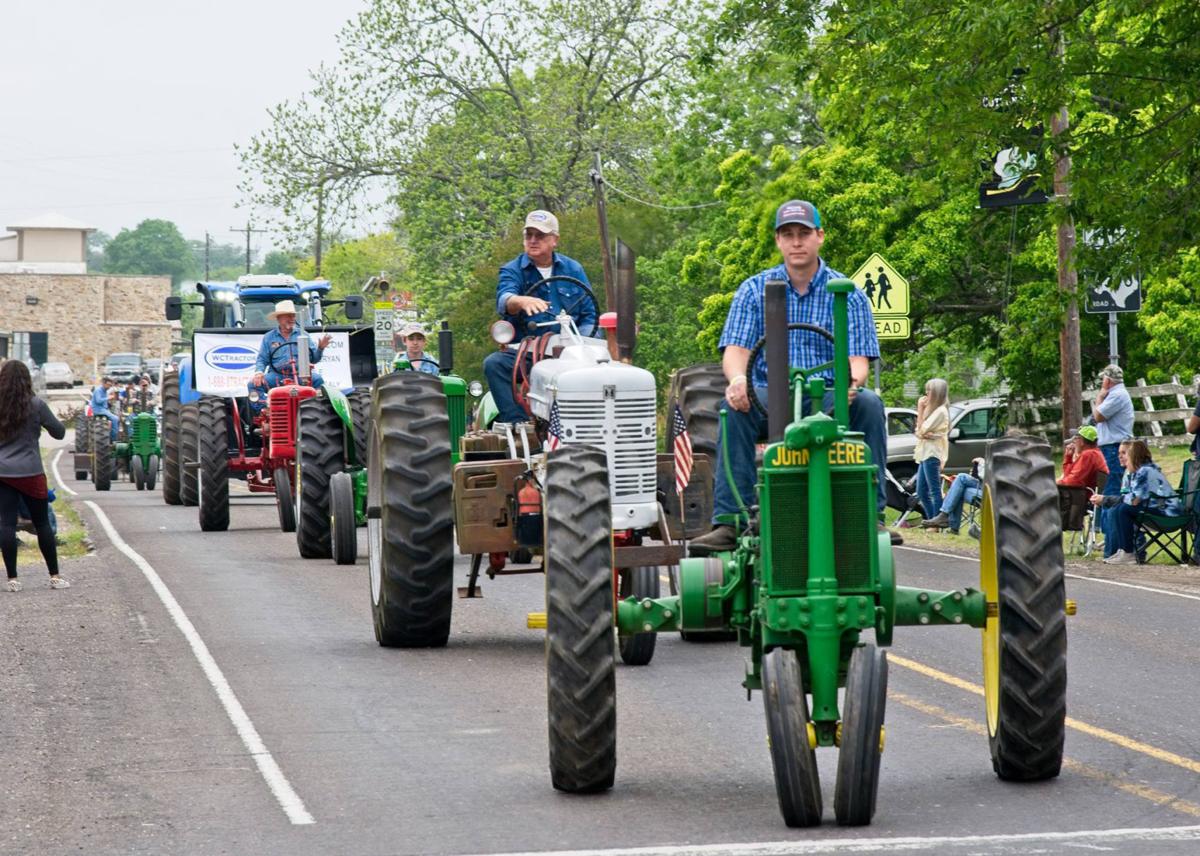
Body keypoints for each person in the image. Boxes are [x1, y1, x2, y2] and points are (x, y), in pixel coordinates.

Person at [690, 199, 893, 553]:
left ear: (820, 237)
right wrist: (738, 380)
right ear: (778, 241)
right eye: (788, 235)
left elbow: (857, 361)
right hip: (769, 394)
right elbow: (736, 352)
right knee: (731, 407)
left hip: (827, 395)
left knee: (871, 404)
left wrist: (852, 383)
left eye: (804, 233)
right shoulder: (754, 290)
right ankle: (731, 521)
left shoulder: (847, 293)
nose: (796, 242)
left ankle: (870, 515)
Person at [484, 210, 597, 424]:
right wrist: (520, 301)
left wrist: (579, 346)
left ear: (555, 240)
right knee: (494, 364)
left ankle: (588, 423)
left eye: (540, 235)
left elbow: (590, 315)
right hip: (528, 355)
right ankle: (519, 425)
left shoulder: (573, 269)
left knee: (603, 369)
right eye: (529, 235)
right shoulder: (512, 269)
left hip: (571, 354)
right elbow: (505, 299)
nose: (533, 240)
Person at [0, 359, 69, 592]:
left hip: (2, 473)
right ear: (27, 380)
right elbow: (59, 433)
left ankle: (12, 580)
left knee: (6, 524)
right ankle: (55, 576)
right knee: (42, 524)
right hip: (31, 472)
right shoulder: (36, 404)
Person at [1096, 439, 1181, 565]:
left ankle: (1127, 552)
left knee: (1123, 509)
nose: (1121, 457)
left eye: (1125, 454)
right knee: (1119, 508)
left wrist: (1106, 499)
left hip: (1168, 515)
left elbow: (1134, 500)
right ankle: (1122, 550)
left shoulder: (1145, 471)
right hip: (1157, 509)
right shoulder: (1139, 471)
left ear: (1134, 455)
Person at [248, 300, 333, 405]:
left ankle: (316, 409)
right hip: (277, 376)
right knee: (253, 384)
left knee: (318, 380)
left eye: (293, 316)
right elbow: (262, 359)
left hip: (300, 375)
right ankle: (265, 409)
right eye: (288, 316)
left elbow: (314, 359)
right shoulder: (269, 337)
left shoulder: (303, 335)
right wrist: (259, 372)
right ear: (279, 318)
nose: (292, 319)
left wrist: (320, 348)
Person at [1092, 364, 1135, 557]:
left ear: (1107, 380)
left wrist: (1100, 397)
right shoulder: (1117, 394)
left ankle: (1112, 547)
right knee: (1108, 492)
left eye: (1104, 380)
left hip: (1113, 447)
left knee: (1110, 493)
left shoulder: (1116, 395)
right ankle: (1110, 542)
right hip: (1110, 446)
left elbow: (1098, 416)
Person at [1057, 425, 1109, 530]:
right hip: (1081, 494)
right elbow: (1070, 475)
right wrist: (1068, 457)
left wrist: (1056, 482)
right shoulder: (1093, 453)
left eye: (1076, 438)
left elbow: (1074, 481)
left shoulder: (1089, 455)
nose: (1074, 442)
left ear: (1081, 441)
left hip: (1083, 498)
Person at [914, 378, 950, 524]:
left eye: (929, 391)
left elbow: (921, 429)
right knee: (922, 491)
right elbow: (918, 431)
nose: (926, 394)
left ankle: (937, 523)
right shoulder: (934, 411)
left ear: (935, 394)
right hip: (925, 453)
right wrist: (922, 432)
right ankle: (930, 520)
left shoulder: (941, 411)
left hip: (932, 454)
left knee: (934, 491)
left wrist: (920, 409)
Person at [921, 458, 984, 535]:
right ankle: (948, 522)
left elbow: (986, 475)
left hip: (992, 494)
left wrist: (982, 463)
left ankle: (946, 518)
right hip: (985, 487)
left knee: (960, 480)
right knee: (959, 486)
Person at [89, 376, 119, 441]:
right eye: (108, 385)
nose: (109, 387)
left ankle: (114, 434)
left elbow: (104, 403)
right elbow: (98, 400)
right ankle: (114, 439)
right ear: (103, 383)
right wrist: (109, 398)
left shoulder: (105, 391)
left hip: (103, 409)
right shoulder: (98, 390)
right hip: (98, 410)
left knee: (118, 416)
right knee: (115, 419)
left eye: (110, 385)